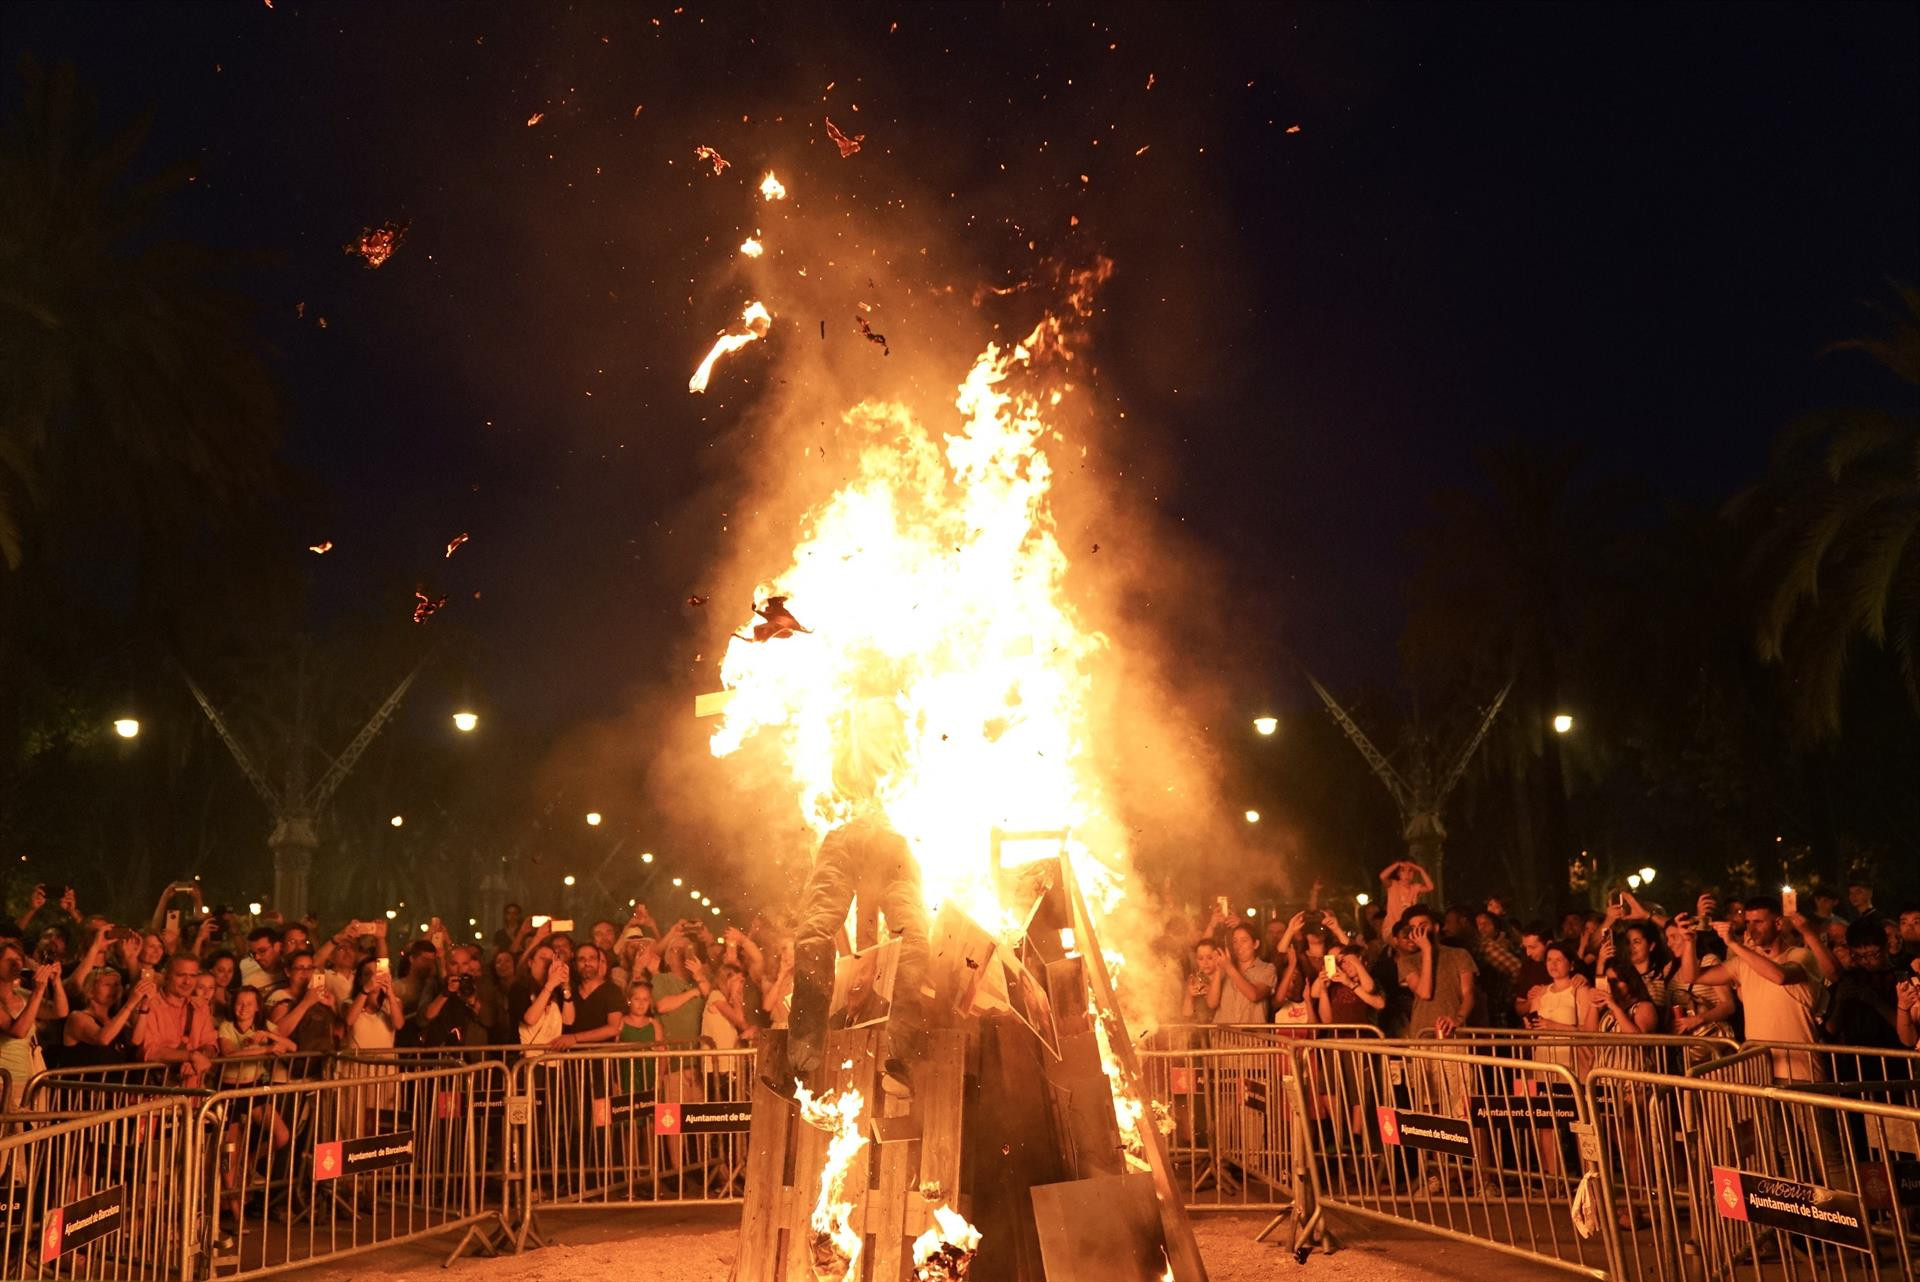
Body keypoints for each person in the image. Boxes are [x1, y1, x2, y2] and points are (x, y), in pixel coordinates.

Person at [781, 695, 931, 1100]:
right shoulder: (846, 755)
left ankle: (899, 1059)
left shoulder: (911, 756)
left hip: (894, 851)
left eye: (885, 723)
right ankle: (802, 1058)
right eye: (872, 721)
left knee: (915, 942)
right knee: (812, 935)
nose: (880, 729)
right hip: (846, 843)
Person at [1675, 896, 1825, 1084]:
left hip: (1800, 1071)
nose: (1751, 929)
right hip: (1759, 1071)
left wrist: (1734, 944)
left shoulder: (1800, 955)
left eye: (1758, 922)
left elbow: (1780, 977)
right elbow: (1692, 976)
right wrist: (1689, 942)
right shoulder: (1742, 963)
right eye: (1747, 923)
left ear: (1778, 924)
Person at [137, 954, 218, 1087]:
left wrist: (198, 1057)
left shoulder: (200, 1007)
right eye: (181, 975)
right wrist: (190, 1056)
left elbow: (211, 1044)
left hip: (192, 1095)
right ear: (167, 975)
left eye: (192, 976)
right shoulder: (150, 1004)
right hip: (157, 1095)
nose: (187, 982)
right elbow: (149, 1051)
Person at [1824, 919, 1903, 1048]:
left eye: (1872, 955)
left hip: (1893, 1055)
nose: (1866, 961)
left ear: (1886, 947)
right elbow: (1830, 1030)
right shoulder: (1851, 979)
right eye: (1858, 956)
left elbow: (1909, 1029)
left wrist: (1875, 1001)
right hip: (1855, 1059)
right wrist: (1840, 1002)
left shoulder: (1901, 978)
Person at [1396, 908, 1476, 1037]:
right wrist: (1427, 950)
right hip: (1422, 1031)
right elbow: (1424, 993)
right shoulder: (1407, 961)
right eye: (1413, 927)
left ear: (1436, 927)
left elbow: (1468, 993)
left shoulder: (1459, 954)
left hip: (1452, 1029)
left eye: (1423, 926)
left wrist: (1459, 1019)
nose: (1419, 931)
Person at [62, 968, 150, 1069]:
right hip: (86, 1083)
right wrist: (131, 1003)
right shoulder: (77, 1018)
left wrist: (144, 1006)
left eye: (117, 985)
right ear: (90, 991)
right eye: (107, 985)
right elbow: (103, 1038)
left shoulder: (117, 1019)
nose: (114, 989)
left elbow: (136, 1041)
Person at [267, 949, 339, 1067]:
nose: (305, 973)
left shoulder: (315, 996)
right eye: (300, 968)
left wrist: (331, 1006)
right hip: (286, 1072)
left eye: (310, 968)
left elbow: (336, 1032)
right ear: (288, 972)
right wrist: (306, 1002)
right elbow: (278, 1032)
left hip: (314, 1069)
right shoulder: (279, 997)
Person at [556, 942, 625, 1049]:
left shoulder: (612, 991)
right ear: (575, 964)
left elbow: (613, 1028)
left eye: (592, 958)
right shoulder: (570, 992)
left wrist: (575, 1038)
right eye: (581, 959)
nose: (587, 963)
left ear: (599, 962)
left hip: (602, 1061)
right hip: (572, 1061)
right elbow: (567, 1023)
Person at [510, 942, 573, 1047]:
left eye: (550, 961)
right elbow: (530, 1019)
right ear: (530, 962)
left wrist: (566, 987)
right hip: (528, 1058)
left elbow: (568, 1020)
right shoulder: (519, 987)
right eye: (543, 959)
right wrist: (550, 984)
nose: (547, 964)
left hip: (553, 1059)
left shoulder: (556, 989)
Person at [1216, 922, 1277, 1025]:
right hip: (1224, 1037)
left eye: (1244, 940)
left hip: (1252, 1039)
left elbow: (1254, 995)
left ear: (1256, 944)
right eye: (1235, 941)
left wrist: (1229, 967)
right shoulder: (1223, 967)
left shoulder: (1267, 969)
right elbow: (1211, 1003)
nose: (1238, 945)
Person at [343, 958, 403, 1052]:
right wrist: (366, 989)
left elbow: (398, 1025)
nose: (373, 977)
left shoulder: (393, 1002)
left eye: (377, 973)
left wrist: (390, 994)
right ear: (360, 980)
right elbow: (349, 1020)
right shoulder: (350, 1003)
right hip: (359, 1062)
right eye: (368, 974)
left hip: (384, 1063)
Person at [1378, 860, 1435, 934]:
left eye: (1410, 871)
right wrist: (1397, 864)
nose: (1407, 874)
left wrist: (1420, 869)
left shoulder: (1415, 888)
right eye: (1403, 871)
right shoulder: (1393, 885)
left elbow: (1430, 887)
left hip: (1407, 927)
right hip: (1391, 927)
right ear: (1398, 873)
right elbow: (1382, 876)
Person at [1182, 940, 1223, 1023]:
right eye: (1201, 959)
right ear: (1196, 960)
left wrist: (1211, 990)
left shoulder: (1225, 977)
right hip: (1201, 1029)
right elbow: (1186, 1014)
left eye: (1210, 958)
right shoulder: (1194, 979)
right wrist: (1189, 995)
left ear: (1217, 957)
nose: (1205, 962)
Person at [241, 927, 285, 992]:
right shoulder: (250, 981)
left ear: (277, 946)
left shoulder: (292, 973)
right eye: (253, 953)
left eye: (262, 951)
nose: (257, 957)